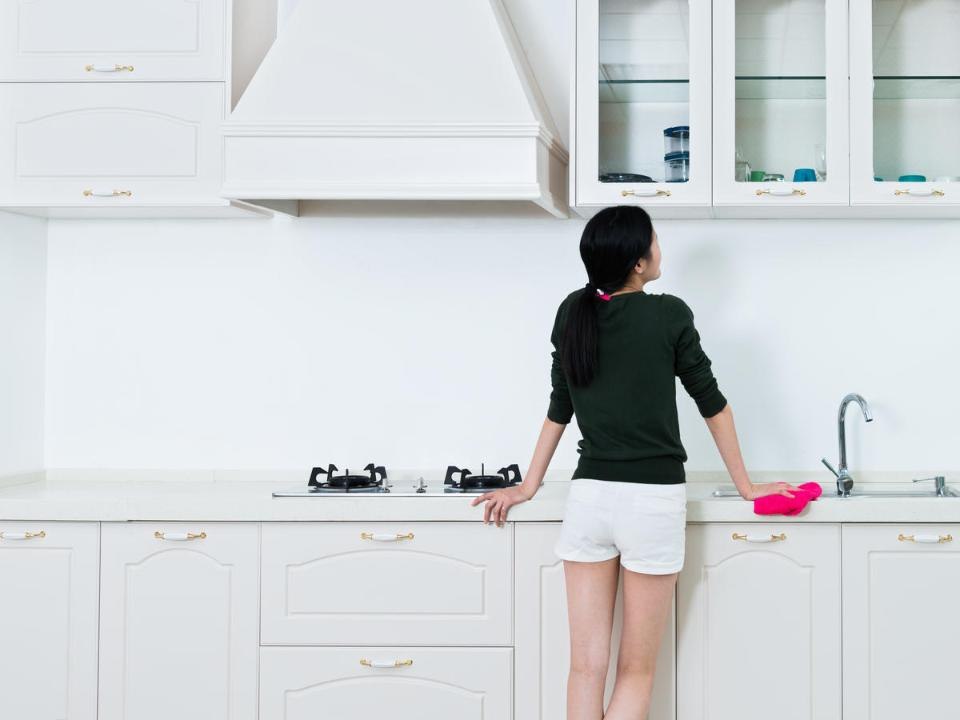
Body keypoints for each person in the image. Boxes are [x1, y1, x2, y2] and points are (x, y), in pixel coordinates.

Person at [470, 204, 803, 719]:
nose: (659, 248)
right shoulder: (669, 314)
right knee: (636, 672)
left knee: (585, 668)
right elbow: (711, 402)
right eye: (655, 240)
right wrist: (746, 486)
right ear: (638, 263)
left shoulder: (572, 312)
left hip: (589, 503)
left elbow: (560, 406)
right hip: (652, 505)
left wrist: (528, 486)